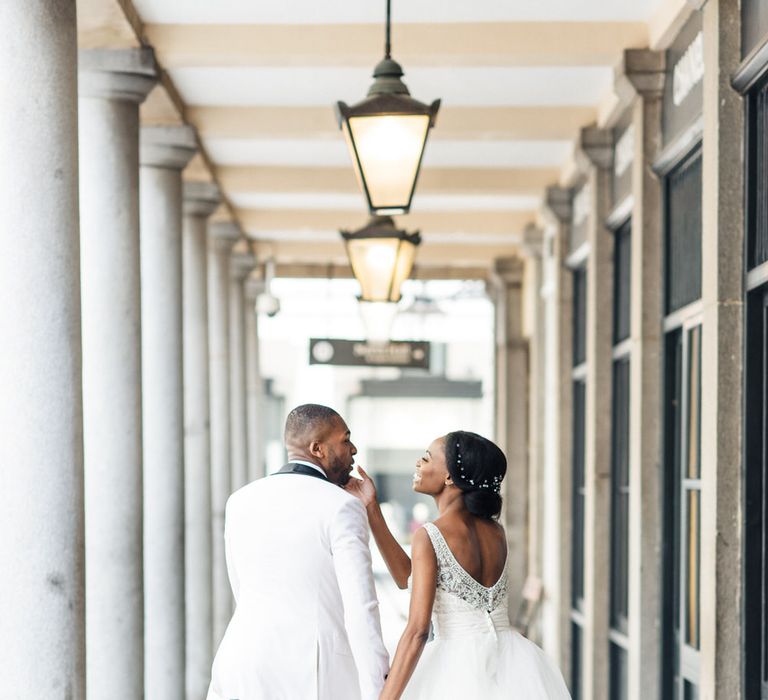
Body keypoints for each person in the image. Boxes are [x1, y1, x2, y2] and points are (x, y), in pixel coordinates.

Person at [346, 430, 571, 700]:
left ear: (450, 476)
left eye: (427, 458)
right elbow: (408, 578)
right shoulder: (495, 532)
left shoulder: (430, 534)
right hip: (512, 664)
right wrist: (372, 507)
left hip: (455, 669)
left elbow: (418, 631)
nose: (418, 463)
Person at [207, 404, 390, 700]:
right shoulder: (341, 506)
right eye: (345, 440)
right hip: (310, 671)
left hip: (241, 663)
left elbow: (241, 588)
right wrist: (379, 690)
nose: (353, 449)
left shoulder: (239, 501)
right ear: (318, 448)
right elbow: (361, 609)